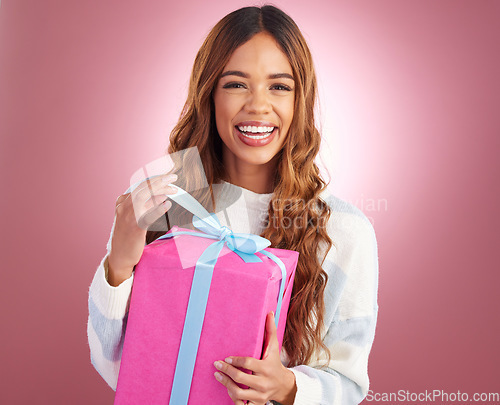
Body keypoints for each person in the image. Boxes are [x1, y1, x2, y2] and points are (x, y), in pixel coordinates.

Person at [87, 5, 379, 405]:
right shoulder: (165, 201)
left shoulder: (344, 229)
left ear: (300, 100)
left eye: (279, 86)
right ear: (209, 93)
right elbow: (115, 368)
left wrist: (289, 387)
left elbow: (349, 384)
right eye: (236, 84)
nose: (258, 106)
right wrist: (119, 262)